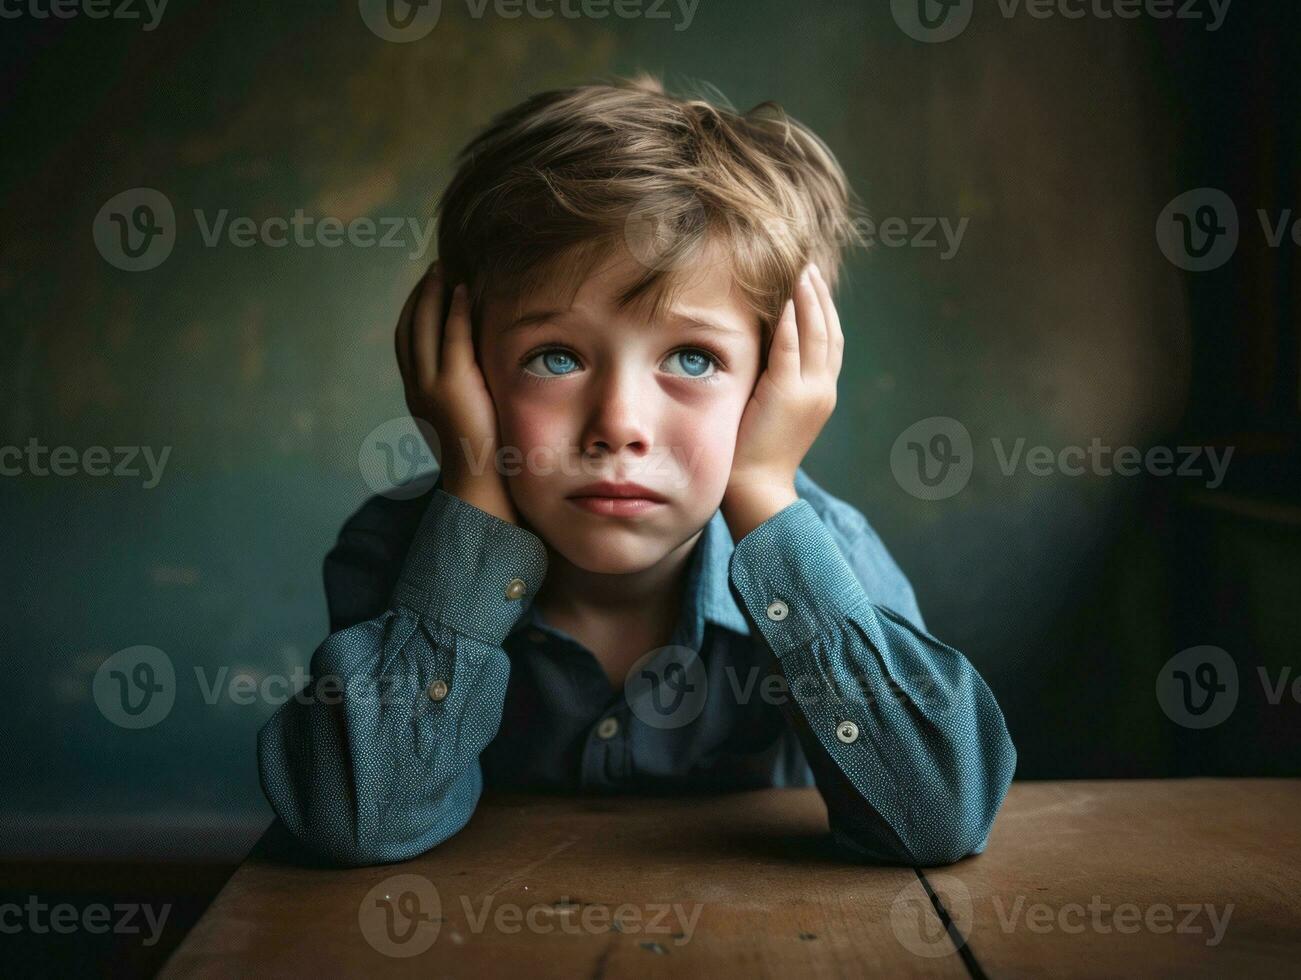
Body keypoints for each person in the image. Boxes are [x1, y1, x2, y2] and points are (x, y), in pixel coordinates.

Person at [257, 74, 1016, 868]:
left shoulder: (826, 561)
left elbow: (937, 818)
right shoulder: (398, 551)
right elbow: (354, 820)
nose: (618, 424)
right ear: (464, 372)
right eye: (555, 357)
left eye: (693, 357)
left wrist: (758, 491)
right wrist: (476, 479)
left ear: (778, 385)